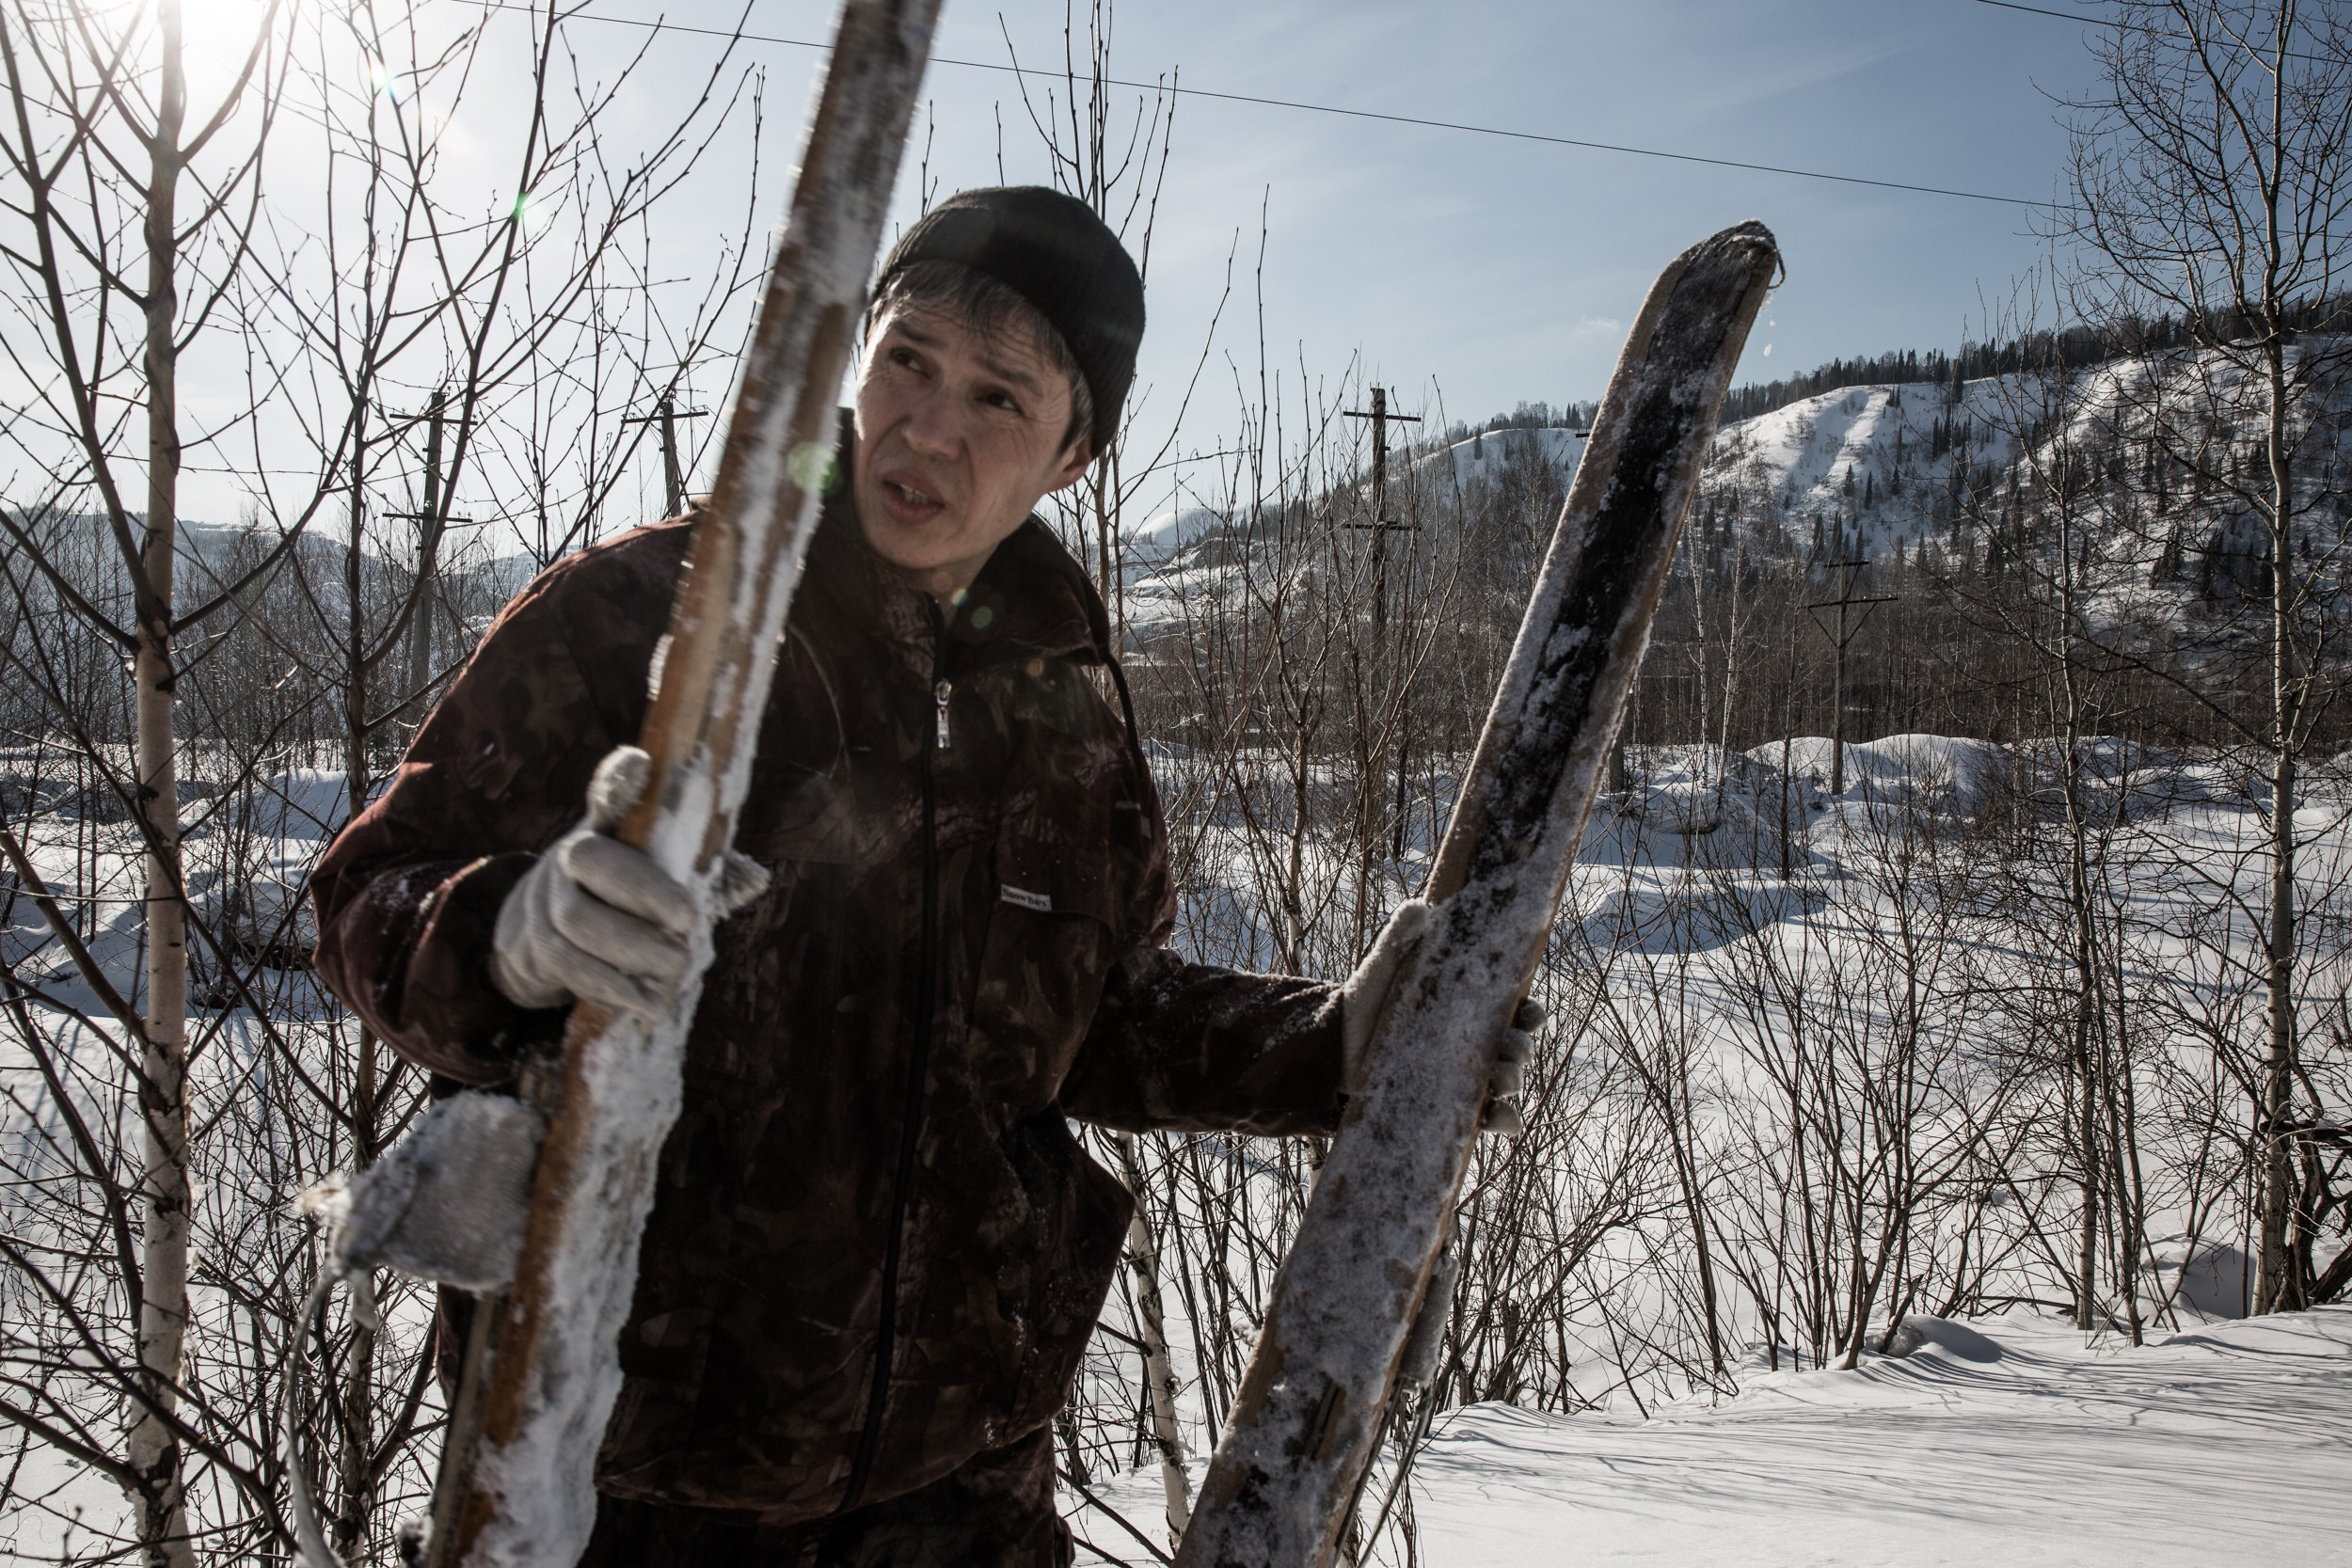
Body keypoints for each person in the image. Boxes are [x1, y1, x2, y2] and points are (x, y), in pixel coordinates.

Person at [310, 186, 1528, 1568]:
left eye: (1002, 397)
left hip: (963, 1494)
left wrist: (1330, 1049)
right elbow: (366, 893)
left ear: (1076, 453)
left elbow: (1097, 1021)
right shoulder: (650, 618)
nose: (930, 428)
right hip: (624, 1489)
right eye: (909, 360)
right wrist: (510, 938)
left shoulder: (1066, 703)